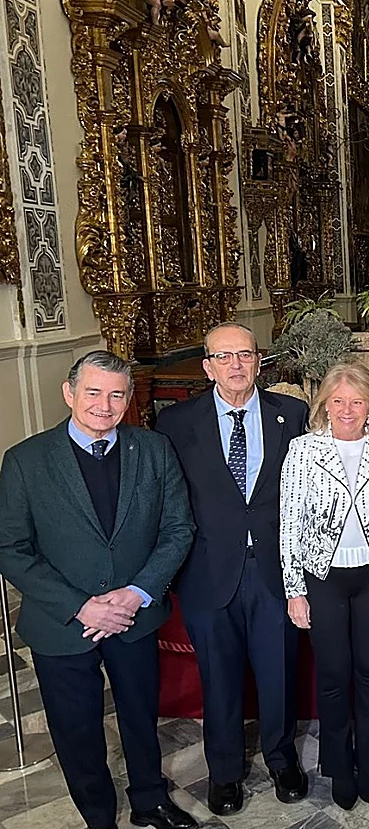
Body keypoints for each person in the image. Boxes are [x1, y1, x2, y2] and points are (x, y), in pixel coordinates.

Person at [0, 351, 197, 829]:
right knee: (77, 730)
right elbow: (11, 548)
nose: (104, 405)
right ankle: (99, 817)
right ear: (69, 394)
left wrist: (137, 593)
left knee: (139, 719)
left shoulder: (153, 449)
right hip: (62, 624)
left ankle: (150, 800)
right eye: (93, 392)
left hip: (134, 617)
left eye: (116, 394)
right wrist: (81, 606)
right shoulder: (25, 460)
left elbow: (178, 529)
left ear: (128, 399)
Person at [155, 323, 309, 815]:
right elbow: (168, 501)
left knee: (278, 673)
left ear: (259, 361)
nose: (236, 365)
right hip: (208, 572)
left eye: (244, 355)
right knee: (217, 677)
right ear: (207, 366)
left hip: (274, 570)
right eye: (224, 357)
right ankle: (224, 772)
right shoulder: (176, 423)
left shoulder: (293, 414)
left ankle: (282, 759)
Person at [279, 363, 369, 811]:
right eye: (338, 401)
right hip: (322, 578)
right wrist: (295, 589)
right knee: (333, 675)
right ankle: (338, 764)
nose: (347, 410)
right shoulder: (302, 450)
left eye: (356, 401)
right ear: (324, 405)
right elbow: (289, 523)